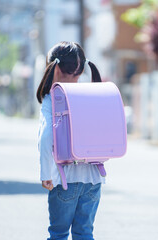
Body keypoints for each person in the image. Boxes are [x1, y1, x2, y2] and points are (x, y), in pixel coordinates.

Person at [36, 41, 105, 240]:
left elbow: (46, 136)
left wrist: (45, 172)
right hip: (94, 178)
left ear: (54, 67)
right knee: (84, 233)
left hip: (64, 179)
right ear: (82, 69)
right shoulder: (92, 93)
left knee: (58, 233)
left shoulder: (53, 98)